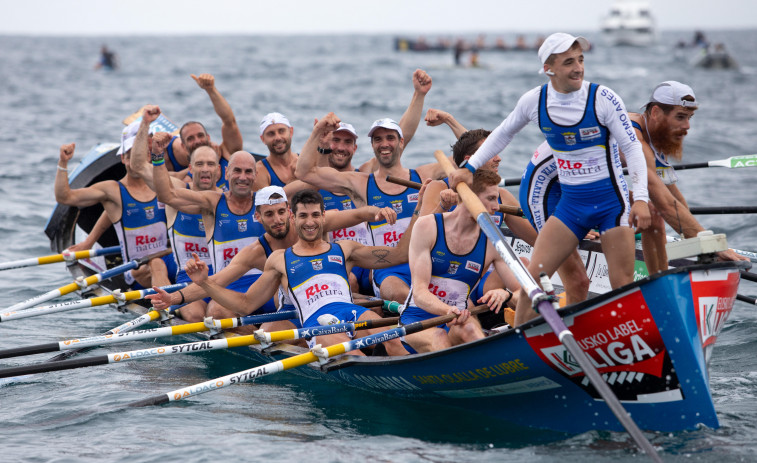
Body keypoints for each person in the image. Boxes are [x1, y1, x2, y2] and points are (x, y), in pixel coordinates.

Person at [448, 32, 651, 327]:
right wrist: (471, 167)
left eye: (580, 59)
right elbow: (504, 133)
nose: (578, 68)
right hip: (570, 207)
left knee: (622, 285)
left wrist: (641, 199)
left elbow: (632, 147)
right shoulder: (535, 100)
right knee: (533, 285)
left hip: (612, 205)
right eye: (569, 62)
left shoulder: (603, 98)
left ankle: (634, 341)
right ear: (549, 68)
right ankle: (522, 347)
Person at [182, 189, 424, 356]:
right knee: (349, 350)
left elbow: (400, 255)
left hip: (353, 311)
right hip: (317, 325)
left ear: (323, 217)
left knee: (393, 340)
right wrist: (205, 284)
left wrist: (418, 210)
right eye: (304, 216)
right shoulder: (280, 260)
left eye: (316, 215)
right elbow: (245, 305)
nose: (310, 222)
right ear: (293, 217)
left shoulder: (345, 249)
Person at [148, 186, 402, 331]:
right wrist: (174, 298)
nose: (277, 220)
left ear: (290, 213)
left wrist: (378, 211)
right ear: (257, 218)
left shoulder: (311, 222)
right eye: (269, 214)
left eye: (282, 212)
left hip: (328, 301)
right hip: (288, 308)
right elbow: (217, 280)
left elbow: (359, 214)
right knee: (240, 320)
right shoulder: (256, 253)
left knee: (357, 288)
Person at [294, 71, 446, 303]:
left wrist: (419, 96)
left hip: (419, 259)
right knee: (359, 283)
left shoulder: (368, 169)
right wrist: (317, 134)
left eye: (347, 142)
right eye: (336, 141)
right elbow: (304, 172)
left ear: (355, 147)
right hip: (381, 265)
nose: (340, 148)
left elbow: (467, 163)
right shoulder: (359, 182)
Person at [629, 81, 748, 273]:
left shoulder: (655, 139)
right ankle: (659, 284)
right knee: (652, 212)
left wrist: (697, 241)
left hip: (587, 186)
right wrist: (711, 245)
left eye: (690, 117)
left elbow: (673, 197)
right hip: (567, 190)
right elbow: (664, 204)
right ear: (656, 113)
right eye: (681, 117)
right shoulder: (633, 136)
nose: (687, 126)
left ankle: (660, 279)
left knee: (652, 214)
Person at [403, 170, 518, 352]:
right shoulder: (427, 226)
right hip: (416, 319)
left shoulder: (492, 241)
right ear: (469, 197)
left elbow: (523, 293)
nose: (497, 207)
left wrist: (507, 295)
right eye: (491, 198)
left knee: (471, 328)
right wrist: (447, 310)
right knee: (439, 338)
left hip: (460, 318)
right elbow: (419, 293)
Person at [54, 124, 177, 289]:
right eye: (129, 156)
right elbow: (65, 197)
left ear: (147, 157)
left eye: (137, 156)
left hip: (167, 257)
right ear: (123, 159)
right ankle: (170, 305)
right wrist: (63, 163)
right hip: (137, 270)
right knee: (156, 265)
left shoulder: (162, 183)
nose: (133, 161)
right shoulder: (112, 190)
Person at [129, 105, 222, 321]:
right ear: (191, 168)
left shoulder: (226, 199)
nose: (205, 169)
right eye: (199, 164)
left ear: (219, 169)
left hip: (222, 280)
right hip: (187, 281)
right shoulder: (175, 193)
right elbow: (138, 166)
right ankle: (167, 303)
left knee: (218, 315)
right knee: (198, 316)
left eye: (210, 164)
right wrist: (145, 123)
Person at [166, 73, 244, 181]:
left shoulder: (226, 153)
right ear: (183, 146)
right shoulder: (182, 177)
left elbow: (229, 121)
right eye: (191, 139)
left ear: (208, 137)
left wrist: (211, 90)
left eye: (200, 135)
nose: (197, 141)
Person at [254, 112, 299, 188]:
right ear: (263, 139)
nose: (278, 138)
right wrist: (295, 179)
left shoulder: (305, 161)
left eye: (281, 131)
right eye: (271, 134)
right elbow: (268, 200)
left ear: (291, 132)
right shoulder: (259, 171)